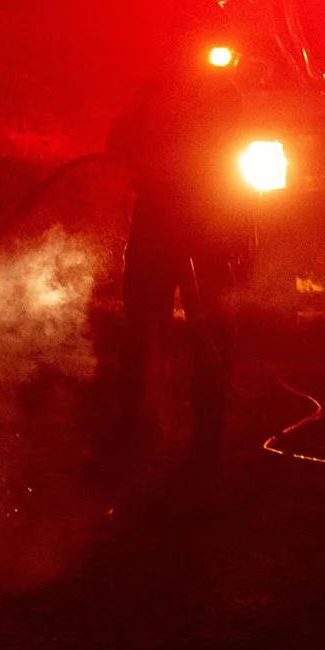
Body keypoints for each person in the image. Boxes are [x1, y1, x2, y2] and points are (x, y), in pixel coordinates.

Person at [109, 27, 248, 459]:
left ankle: (208, 428)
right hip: (159, 219)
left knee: (210, 324)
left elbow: (224, 149)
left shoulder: (223, 96)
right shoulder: (147, 96)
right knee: (144, 324)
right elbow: (119, 148)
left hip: (204, 217)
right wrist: (142, 169)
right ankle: (143, 421)